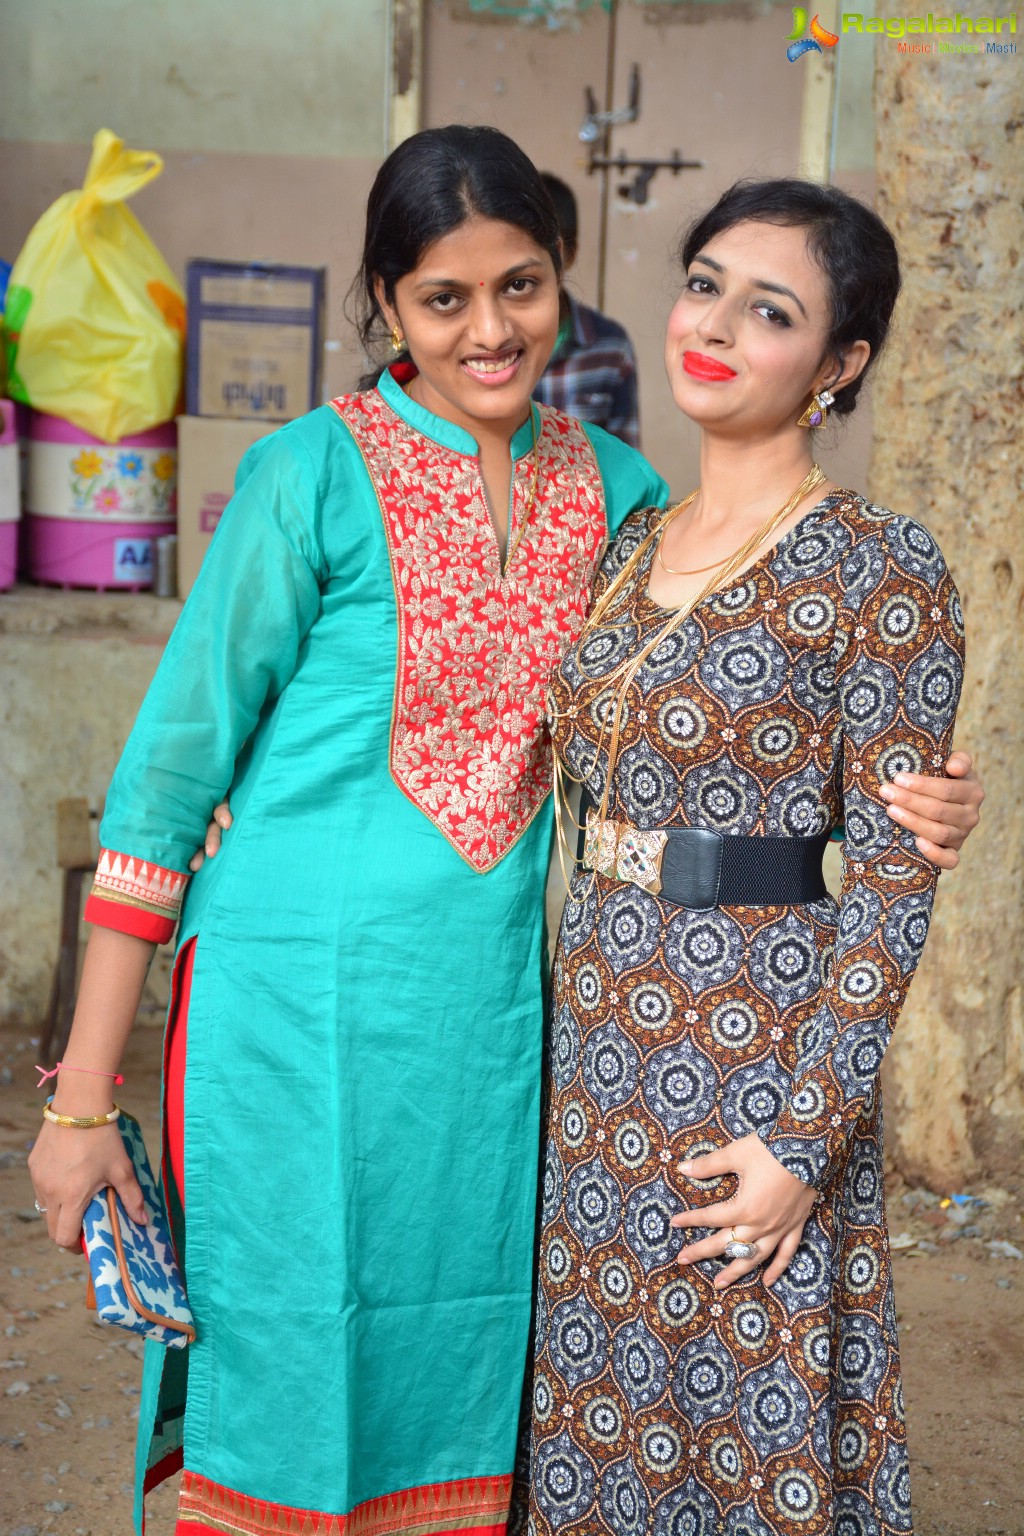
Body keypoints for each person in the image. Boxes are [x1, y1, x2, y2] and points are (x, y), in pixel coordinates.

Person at [28, 132, 980, 1536]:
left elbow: (730, 710)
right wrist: (77, 1101)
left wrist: (914, 804)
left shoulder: (619, 496)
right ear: (388, 305)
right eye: (441, 300)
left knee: (471, 1375)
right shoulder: (310, 476)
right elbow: (164, 794)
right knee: (292, 1365)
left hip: (496, 1038)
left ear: (565, 283)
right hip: (292, 1021)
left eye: (519, 286)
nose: (488, 331)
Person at [522, 179, 967, 1536]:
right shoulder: (633, 537)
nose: (713, 324)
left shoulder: (883, 567)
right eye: (705, 282)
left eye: (769, 310)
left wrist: (800, 1137)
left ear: (840, 365)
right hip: (596, 1041)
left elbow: (895, 879)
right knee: (601, 1391)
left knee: (736, 1380)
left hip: (754, 1044)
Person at [532, 172, 642, 448]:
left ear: (569, 252)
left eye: (545, 253)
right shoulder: (487, 343)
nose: (532, 272)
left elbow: (626, 461)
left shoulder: (609, 347)